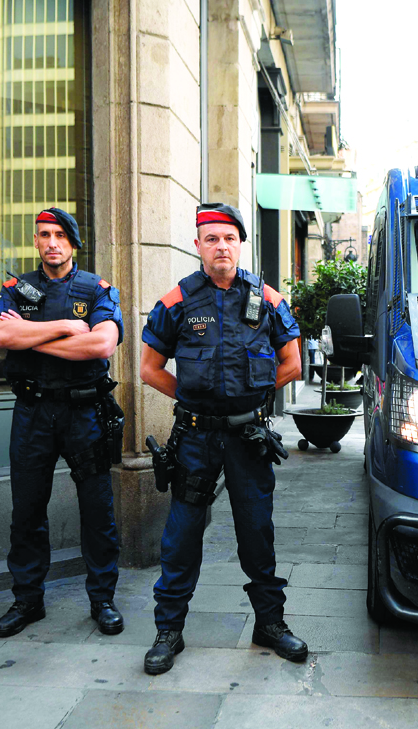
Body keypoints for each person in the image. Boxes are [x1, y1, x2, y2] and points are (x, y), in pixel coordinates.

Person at [139, 203, 307, 675]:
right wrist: (196, 401)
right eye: (211, 239)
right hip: (194, 439)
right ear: (198, 246)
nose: (221, 247)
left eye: (229, 238)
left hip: (247, 437)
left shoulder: (267, 300)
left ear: (240, 244)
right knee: (183, 534)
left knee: (257, 531)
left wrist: (247, 401)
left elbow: (292, 364)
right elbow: (149, 370)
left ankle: (269, 624)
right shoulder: (177, 301)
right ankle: (168, 630)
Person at [0, 207, 126, 638]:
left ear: (73, 243)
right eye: (44, 235)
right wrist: (67, 327)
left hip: (85, 413)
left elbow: (102, 345)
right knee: (27, 510)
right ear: (35, 241)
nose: (51, 242)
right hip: (32, 413)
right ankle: (28, 600)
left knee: (97, 509)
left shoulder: (97, 289)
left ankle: (102, 599)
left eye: (60, 235)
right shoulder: (18, 288)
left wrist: (30, 340)